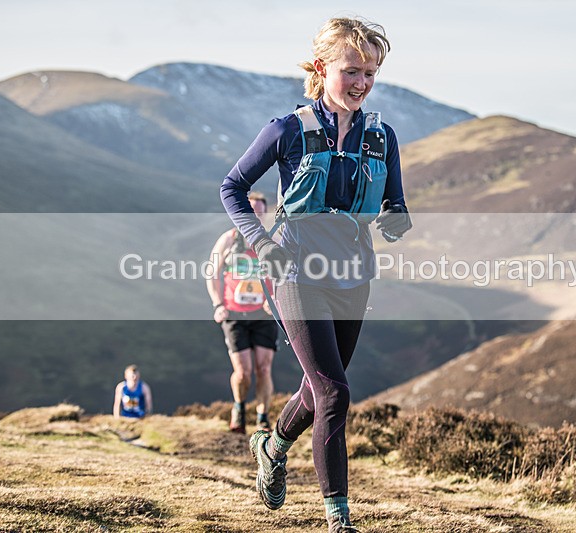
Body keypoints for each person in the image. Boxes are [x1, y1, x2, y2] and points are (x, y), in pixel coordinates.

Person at [220, 17, 412, 533]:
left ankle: (272, 444)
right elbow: (232, 188)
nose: (362, 83)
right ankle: (338, 518)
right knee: (335, 394)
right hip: (294, 271)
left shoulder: (382, 137)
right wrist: (260, 242)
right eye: (352, 70)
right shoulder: (285, 130)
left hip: (352, 274)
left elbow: (395, 203)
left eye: (371, 72)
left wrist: (396, 219)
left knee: (320, 386)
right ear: (322, 68)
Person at [206, 191, 278, 434]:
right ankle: (238, 408)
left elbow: (286, 274)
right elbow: (212, 273)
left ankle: (263, 418)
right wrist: (218, 304)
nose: (255, 215)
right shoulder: (228, 239)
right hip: (235, 314)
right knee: (243, 372)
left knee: (264, 368)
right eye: (251, 210)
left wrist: (275, 300)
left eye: (259, 211)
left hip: (263, 313)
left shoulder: (272, 240)